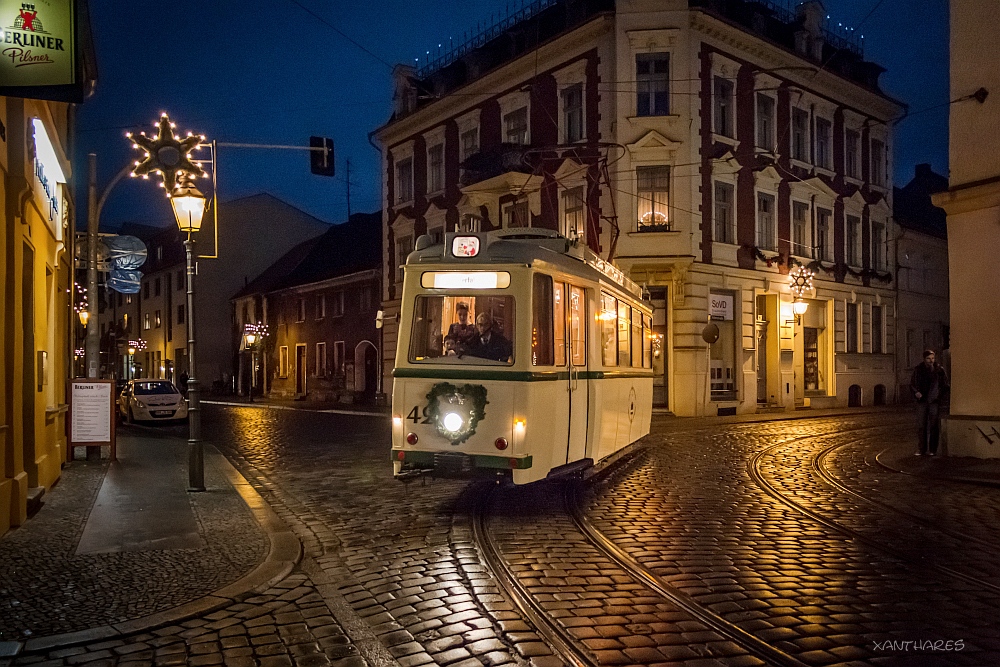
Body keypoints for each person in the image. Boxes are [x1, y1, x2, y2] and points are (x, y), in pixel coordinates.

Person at [910, 349, 949, 456]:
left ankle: (932, 449)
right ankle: (921, 449)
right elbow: (912, 384)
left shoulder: (939, 370)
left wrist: (938, 396)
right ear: (924, 359)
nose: (931, 361)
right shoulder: (918, 370)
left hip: (934, 401)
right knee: (921, 426)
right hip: (921, 401)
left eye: (932, 358)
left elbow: (945, 385)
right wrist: (916, 392)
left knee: (933, 426)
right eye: (928, 358)